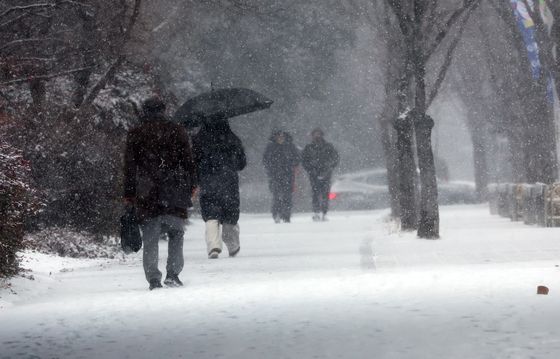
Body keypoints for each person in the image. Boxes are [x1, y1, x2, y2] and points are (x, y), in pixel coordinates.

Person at [123, 97, 197, 290]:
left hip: (147, 192)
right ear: (163, 110)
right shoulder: (177, 130)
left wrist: (129, 193)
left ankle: (153, 279)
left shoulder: (136, 133)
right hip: (175, 189)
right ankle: (173, 274)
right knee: (176, 233)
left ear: (144, 110)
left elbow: (130, 166)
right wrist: (191, 184)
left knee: (150, 238)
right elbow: (188, 161)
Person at [192, 120, 246, 259]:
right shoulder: (232, 139)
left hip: (208, 182)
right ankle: (232, 244)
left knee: (211, 215)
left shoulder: (198, 140)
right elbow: (241, 163)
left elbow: (193, 162)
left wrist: (197, 178)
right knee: (230, 215)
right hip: (229, 182)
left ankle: (213, 246)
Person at [302, 127, 339, 221]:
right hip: (313, 175)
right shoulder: (308, 147)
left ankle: (324, 213)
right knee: (315, 194)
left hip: (326, 174)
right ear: (312, 135)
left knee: (325, 194)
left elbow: (335, 159)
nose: (317, 136)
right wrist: (311, 170)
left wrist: (329, 168)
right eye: (315, 134)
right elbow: (304, 161)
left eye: (319, 134)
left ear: (322, 135)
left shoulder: (328, 146)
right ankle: (316, 212)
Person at [263, 130, 300, 223]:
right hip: (274, 176)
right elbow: (266, 160)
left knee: (287, 196)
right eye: (278, 137)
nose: (280, 138)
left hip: (288, 175)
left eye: (282, 137)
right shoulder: (270, 147)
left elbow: (297, 159)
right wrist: (272, 169)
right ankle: (276, 214)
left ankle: (286, 215)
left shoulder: (290, 147)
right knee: (276, 196)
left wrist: (290, 165)